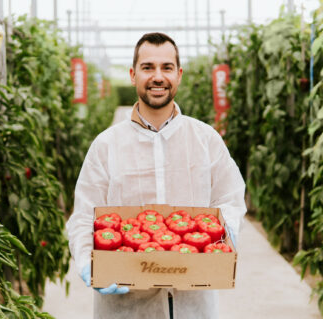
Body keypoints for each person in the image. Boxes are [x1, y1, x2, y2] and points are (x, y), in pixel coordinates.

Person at [66, 32, 247, 319]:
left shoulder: (204, 139)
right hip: (127, 305)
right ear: (132, 74)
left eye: (167, 67)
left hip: (194, 300)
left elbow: (231, 197)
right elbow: (84, 215)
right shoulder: (106, 145)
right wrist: (87, 261)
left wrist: (228, 231)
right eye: (148, 67)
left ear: (179, 74)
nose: (158, 77)